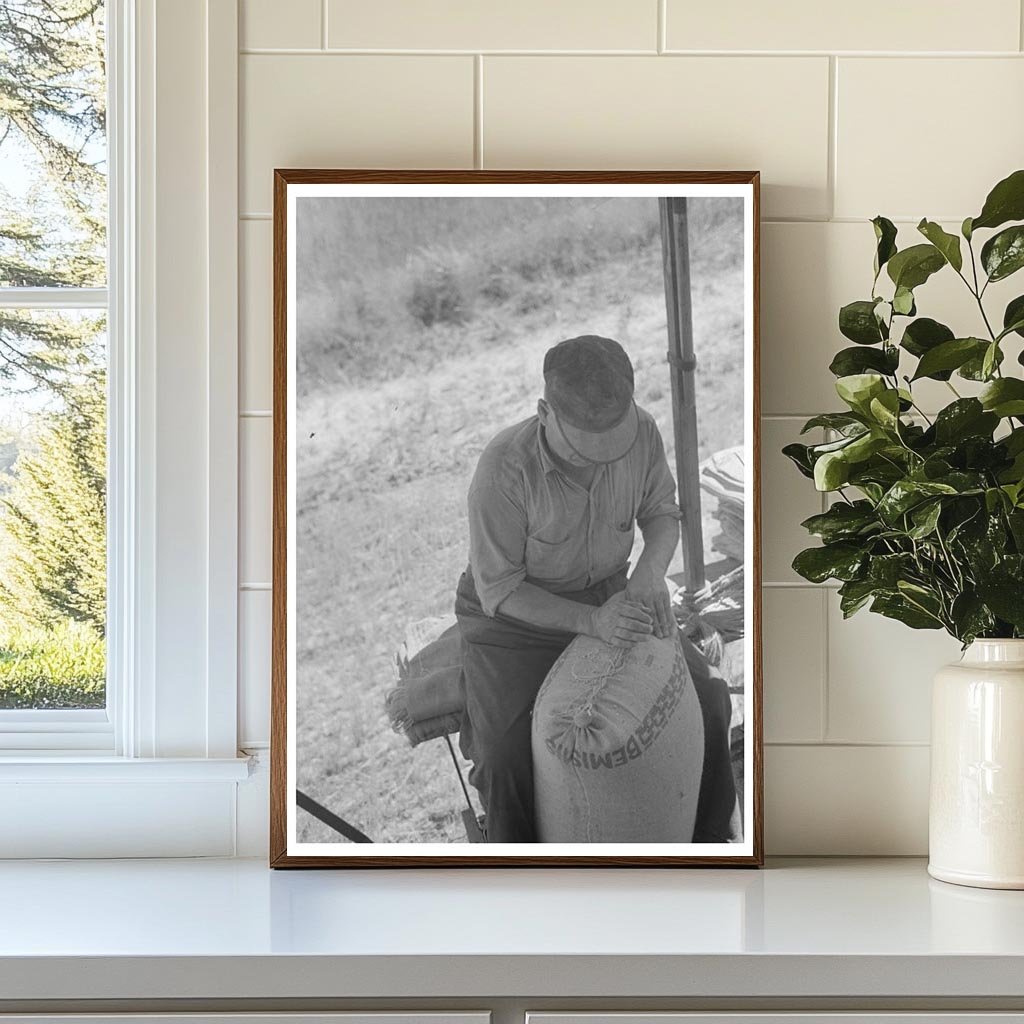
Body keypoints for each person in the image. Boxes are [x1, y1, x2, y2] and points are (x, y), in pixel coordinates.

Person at [454, 334, 736, 843]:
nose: (602, 460)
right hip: (514, 623)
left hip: (612, 595)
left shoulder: (643, 431)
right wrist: (589, 622)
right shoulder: (502, 471)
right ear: (544, 413)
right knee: (505, 759)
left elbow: (661, 515)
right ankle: (516, 885)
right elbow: (501, 589)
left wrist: (648, 573)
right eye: (585, 445)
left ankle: (710, 846)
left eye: (614, 441)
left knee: (710, 696)